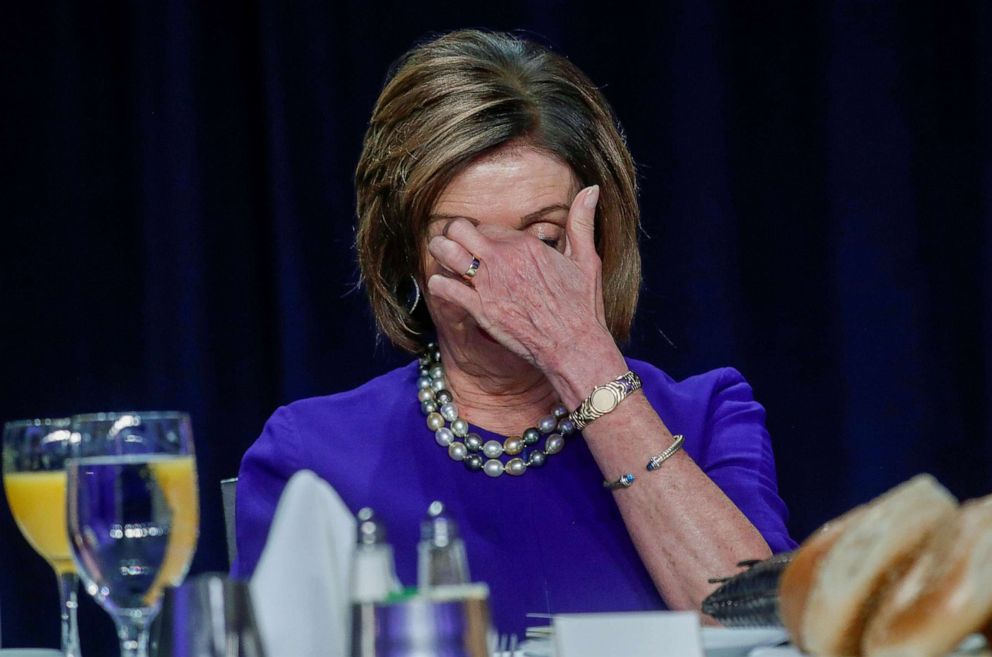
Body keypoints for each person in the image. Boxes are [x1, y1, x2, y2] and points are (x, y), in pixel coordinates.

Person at [234, 29, 795, 634]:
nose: (508, 278)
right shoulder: (312, 456)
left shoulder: (707, 417)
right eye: (461, 241)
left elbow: (757, 630)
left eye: (544, 238)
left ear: (601, 239)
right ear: (403, 253)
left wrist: (579, 357)